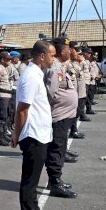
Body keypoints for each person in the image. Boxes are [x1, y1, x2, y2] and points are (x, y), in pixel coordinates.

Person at [11, 40, 56, 210]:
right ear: (41, 56)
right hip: (32, 135)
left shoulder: (37, 73)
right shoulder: (30, 76)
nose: (53, 59)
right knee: (29, 182)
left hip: (41, 134)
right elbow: (22, 109)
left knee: (35, 179)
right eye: (51, 55)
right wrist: (16, 133)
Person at [43, 39, 78, 198]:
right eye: (67, 49)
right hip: (58, 115)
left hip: (64, 114)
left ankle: (55, 179)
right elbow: (50, 93)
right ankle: (55, 182)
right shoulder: (55, 67)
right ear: (60, 51)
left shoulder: (59, 66)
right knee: (56, 148)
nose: (70, 51)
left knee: (60, 146)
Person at [0, 52, 13, 146]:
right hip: (1, 95)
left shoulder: (4, 68)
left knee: (6, 116)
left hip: (6, 95)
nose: (10, 60)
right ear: (2, 60)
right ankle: (0, 138)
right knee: (1, 117)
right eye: (8, 59)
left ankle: (4, 135)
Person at [67, 44, 86, 141]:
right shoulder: (68, 63)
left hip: (78, 92)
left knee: (77, 111)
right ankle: (73, 130)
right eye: (76, 50)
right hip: (72, 93)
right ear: (70, 50)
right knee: (73, 113)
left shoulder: (76, 62)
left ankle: (74, 130)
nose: (78, 53)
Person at [79, 49, 94, 120]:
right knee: (82, 99)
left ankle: (83, 113)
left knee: (85, 98)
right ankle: (82, 114)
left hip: (87, 81)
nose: (90, 55)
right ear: (85, 53)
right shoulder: (82, 61)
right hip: (84, 81)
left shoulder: (86, 61)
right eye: (89, 53)